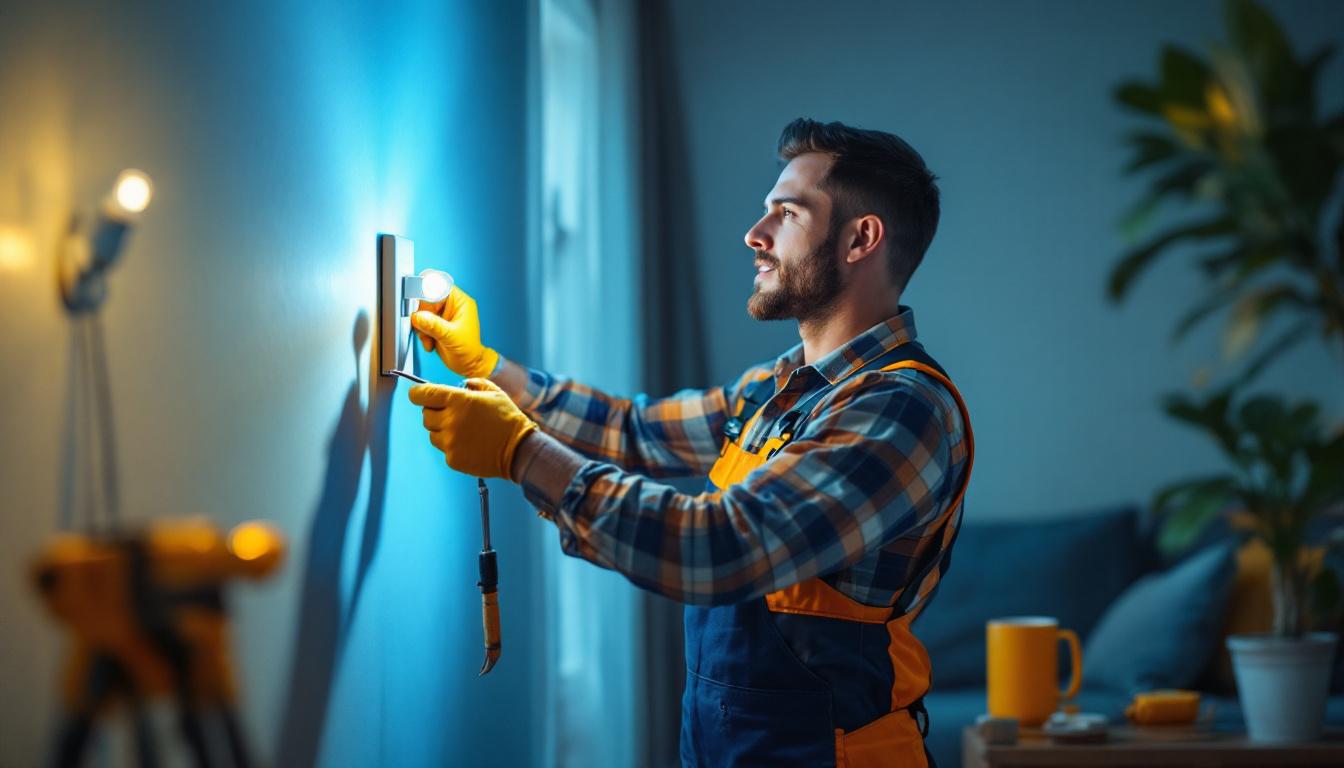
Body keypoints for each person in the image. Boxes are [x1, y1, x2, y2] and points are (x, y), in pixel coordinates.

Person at [407, 118, 973, 768]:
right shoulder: (776, 387)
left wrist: (520, 453)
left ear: (859, 239)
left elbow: (722, 547)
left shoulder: (900, 409)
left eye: (785, 215)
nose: (754, 236)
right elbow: (632, 432)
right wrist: (487, 368)